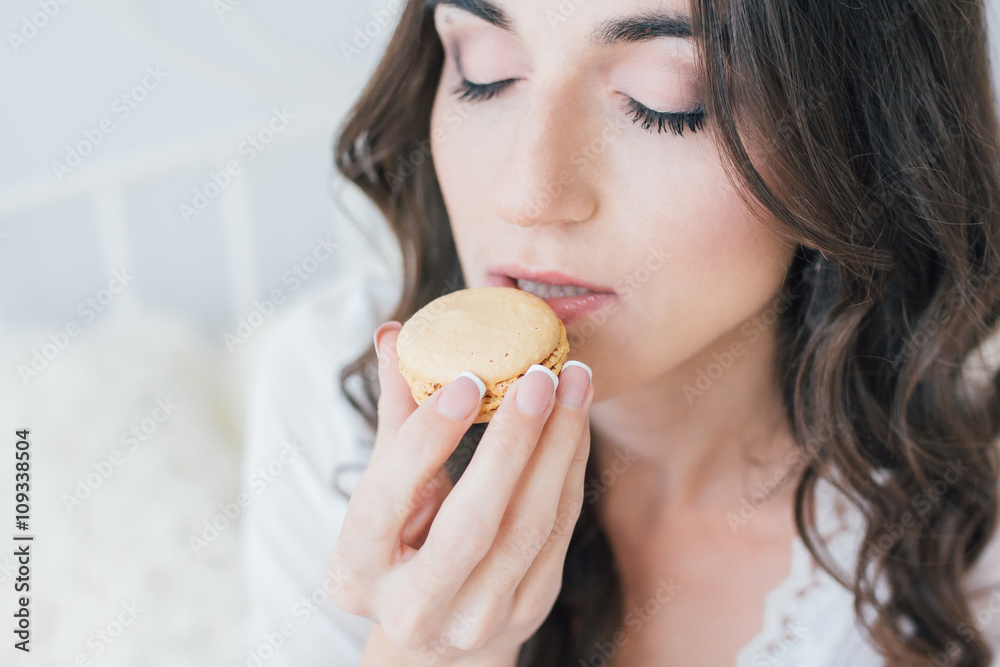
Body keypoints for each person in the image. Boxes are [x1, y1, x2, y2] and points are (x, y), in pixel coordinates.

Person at [241, 0, 1000, 665]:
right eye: (484, 69)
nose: (528, 193)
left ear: (861, 132)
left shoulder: (969, 514)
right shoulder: (334, 391)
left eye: (665, 100)